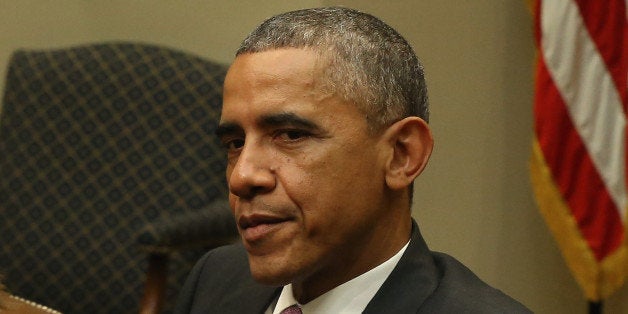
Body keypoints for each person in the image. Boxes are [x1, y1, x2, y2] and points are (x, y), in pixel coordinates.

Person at [175, 7, 530, 313]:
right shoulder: (215, 279)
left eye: (291, 135)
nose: (241, 176)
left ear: (401, 155)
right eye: (235, 143)